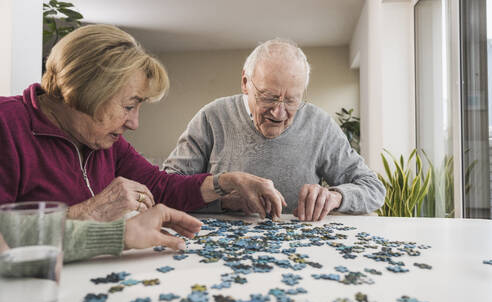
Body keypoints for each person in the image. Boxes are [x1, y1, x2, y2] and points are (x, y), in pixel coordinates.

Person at [0, 25, 285, 262]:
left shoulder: (105, 143)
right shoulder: (6, 124)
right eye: (128, 106)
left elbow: (162, 187)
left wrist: (228, 181)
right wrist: (90, 212)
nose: (134, 123)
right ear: (87, 90)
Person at [164, 38, 386, 221]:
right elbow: (165, 188)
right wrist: (221, 200)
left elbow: (373, 189)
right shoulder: (211, 118)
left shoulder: (319, 124)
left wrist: (335, 196)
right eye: (269, 97)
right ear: (245, 83)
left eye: (291, 101)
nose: (279, 113)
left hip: (298, 256)